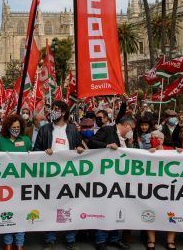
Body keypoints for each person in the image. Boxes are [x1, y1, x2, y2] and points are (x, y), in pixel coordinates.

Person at [33, 100, 84, 250]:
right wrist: (44, 152)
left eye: (56, 109)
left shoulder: (73, 129)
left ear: (63, 112)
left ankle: (70, 239)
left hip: (69, 175)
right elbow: (36, 150)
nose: (52, 112)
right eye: (52, 109)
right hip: (50, 176)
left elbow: (79, 146)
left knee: (70, 206)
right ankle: (50, 239)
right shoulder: (45, 130)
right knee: (51, 206)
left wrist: (80, 148)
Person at [87, 116, 134, 250]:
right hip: (105, 177)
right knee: (106, 207)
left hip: (120, 179)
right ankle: (101, 240)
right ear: (126, 125)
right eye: (132, 128)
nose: (132, 131)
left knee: (117, 208)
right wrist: (106, 146)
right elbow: (92, 142)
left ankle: (114, 238)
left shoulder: (125, 140)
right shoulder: (108, 130)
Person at [0, 114, 32, 250]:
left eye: (18, 127)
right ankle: (8, 242)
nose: (16, 129)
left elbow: (33, 159)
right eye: (13, 127)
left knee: (21, 213)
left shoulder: (26, 140)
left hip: (22, 184)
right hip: (5, 184)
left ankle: (20, 243)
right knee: (7, 214)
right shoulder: (0, 141)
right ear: (8, 127)